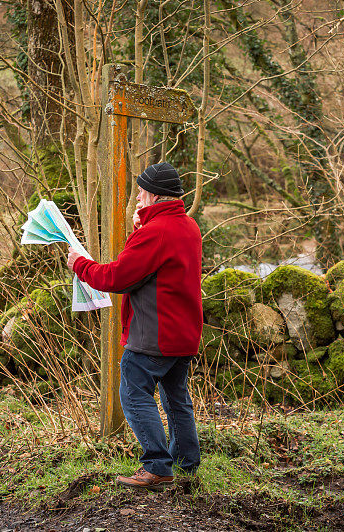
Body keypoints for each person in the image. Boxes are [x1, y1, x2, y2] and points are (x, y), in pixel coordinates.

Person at [66, 161, 202, 491]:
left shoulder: (156, 232)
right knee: (175, 399)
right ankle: (186, 463)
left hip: (154, 335)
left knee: (133, 392)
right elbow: (149, 270)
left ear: (155, 196)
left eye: (141, 191)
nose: (138, 197)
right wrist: (140, 229)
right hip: (184, 334)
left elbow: (118, 277)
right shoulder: (188, 226)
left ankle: (157, 466)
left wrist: (79, 264)